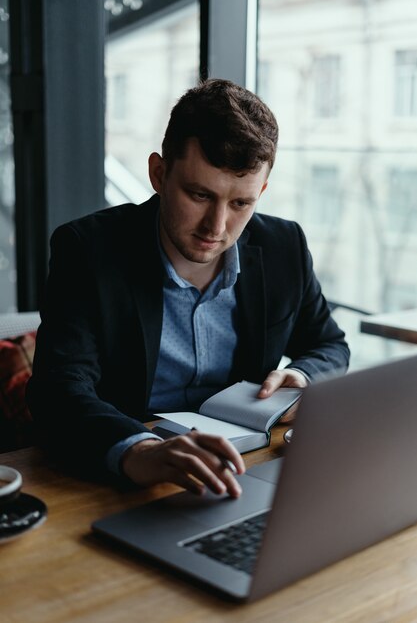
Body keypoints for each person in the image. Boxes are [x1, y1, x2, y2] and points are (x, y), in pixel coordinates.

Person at [26, 78, 350, 499]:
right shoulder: (88, 250)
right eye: (200, 194)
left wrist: (303, 376)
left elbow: (330, 344)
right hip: (128, 476)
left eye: (241, 204)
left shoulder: (283, 246)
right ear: (159, 173)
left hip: (246, 470)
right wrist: (138, 449)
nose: (216, 228)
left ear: (261, 192)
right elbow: (59, 391)